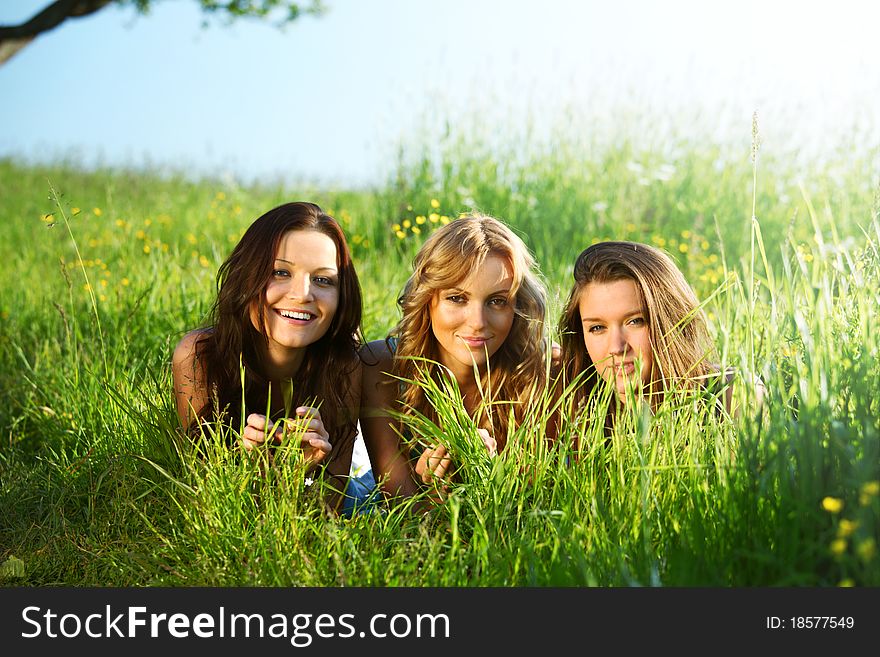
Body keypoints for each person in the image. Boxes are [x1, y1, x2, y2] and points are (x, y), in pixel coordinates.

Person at [171, 201, 364, 514]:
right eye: (280, 272)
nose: (302, 294)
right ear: (247, 278)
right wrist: (250, 473)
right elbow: (203, 497)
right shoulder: (200, 356)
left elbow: (331, 507)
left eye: (323, 279)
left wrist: (303, 472)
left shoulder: (346, 362)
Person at [359, 213, 552, 502]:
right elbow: (401, 508)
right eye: (457, 298)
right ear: (427, 299)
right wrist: (435, 492)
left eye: (497, 301)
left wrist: (486, 474)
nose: (477, 322)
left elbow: (525, 508)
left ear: (518, 306)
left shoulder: (542, 370)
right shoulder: (382, 366)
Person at [559, 240, 760, 435]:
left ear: (670, 320)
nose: (616, 347)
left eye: (635, 321)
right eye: (597, 328)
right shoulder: (575, 413)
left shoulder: (734, 395)